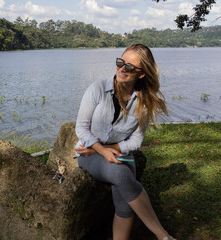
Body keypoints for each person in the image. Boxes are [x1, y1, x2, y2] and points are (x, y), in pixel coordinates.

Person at [74, 43, 175, 240]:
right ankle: (163, 235)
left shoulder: (144, 103)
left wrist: (106, 149)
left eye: (129, 67)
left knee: (124, 206)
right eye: (120, 62)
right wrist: (99, 151)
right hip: (88, 155)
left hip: (119, 155)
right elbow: (81, 128)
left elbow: (136, 141)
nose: (122, 69)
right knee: (121, 173)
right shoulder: (96, 89)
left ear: (142, 74)